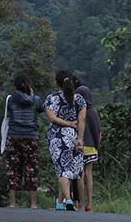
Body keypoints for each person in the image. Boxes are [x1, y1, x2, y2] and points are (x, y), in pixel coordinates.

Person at [44, 69, 86, 211]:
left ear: (57, 83)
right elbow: (82, 119)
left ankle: (68, 200)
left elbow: (52, 118)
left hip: (57, 137)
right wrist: (79, 139)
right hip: (75, 136)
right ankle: (60, 202)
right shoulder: (79, 99)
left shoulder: (51, 98)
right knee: (71, 169)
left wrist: (67, 124)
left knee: (62, 169)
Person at [3, 72, 45, 209]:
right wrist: (32, 95)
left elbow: (9, 112)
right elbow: (41, 109)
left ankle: (12, 203)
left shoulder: (11, 99)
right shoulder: (36, 100)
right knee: (32, 168)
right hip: (31, 137)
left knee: (13, 168)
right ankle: (33, 203)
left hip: (14, 136)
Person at [75, 82, 101, 212]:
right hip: (91, 147)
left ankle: (81, 204)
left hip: (80, 146)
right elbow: (97, 131)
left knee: (80, 174)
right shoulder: (94, 112)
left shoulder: (77, 112)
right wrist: (97, 146)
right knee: (89, 174)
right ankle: (90, 204)